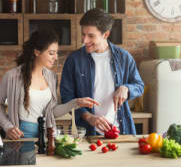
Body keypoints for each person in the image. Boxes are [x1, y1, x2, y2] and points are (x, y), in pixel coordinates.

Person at [0, 28, 99, 139]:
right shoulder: (12, 76)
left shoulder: (52, 77)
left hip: (46, 133)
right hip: (22, 133)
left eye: (56, 53)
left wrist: (76, 102)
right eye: (51, 53)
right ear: (37, 52)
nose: (56, 57)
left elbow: (51, 113)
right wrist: (8, 126)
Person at [60, 8, 144, 136]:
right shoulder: (74, 60)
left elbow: (139, 86)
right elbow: (67, 97)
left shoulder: (123, 57)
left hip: (120, 131)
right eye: (83, 34)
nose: (84, 40)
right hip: (86, 133)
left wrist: (126, 88)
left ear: (106, 34)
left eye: (91, 36)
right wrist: (88, 116)